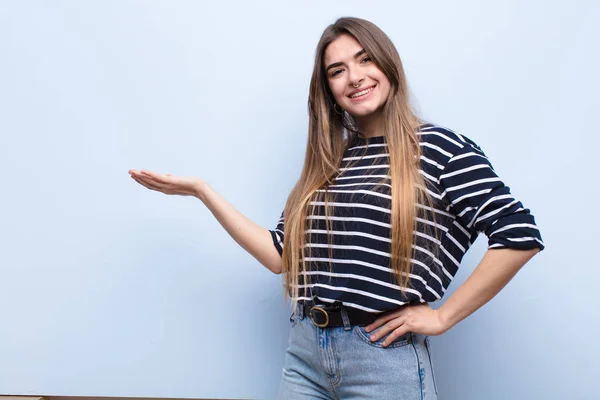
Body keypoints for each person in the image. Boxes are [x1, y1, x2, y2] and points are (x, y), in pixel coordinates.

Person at [129, 16, 544, 400]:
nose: (354, 77)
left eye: (364, 60)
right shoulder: (329, 164)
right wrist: (203, 192)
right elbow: (279, 255)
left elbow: (519, 235)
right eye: (337, 70)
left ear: (388, 66)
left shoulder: (438, 149)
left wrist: (442, 317)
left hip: (383, 357)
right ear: (327, 89)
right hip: (306, 353)